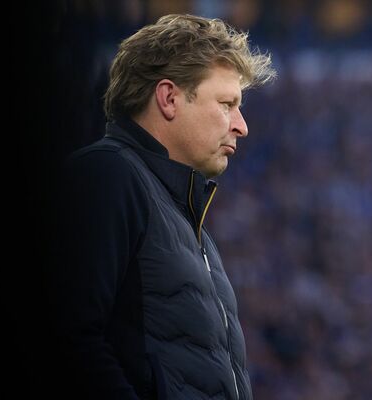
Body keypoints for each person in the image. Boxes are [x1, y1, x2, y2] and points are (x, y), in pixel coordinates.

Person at [52, 14, 275, 399]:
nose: (241, 125)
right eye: (227, 104)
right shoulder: (107, 175)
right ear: (169, 98)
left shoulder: (188, 220)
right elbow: (69, 337)